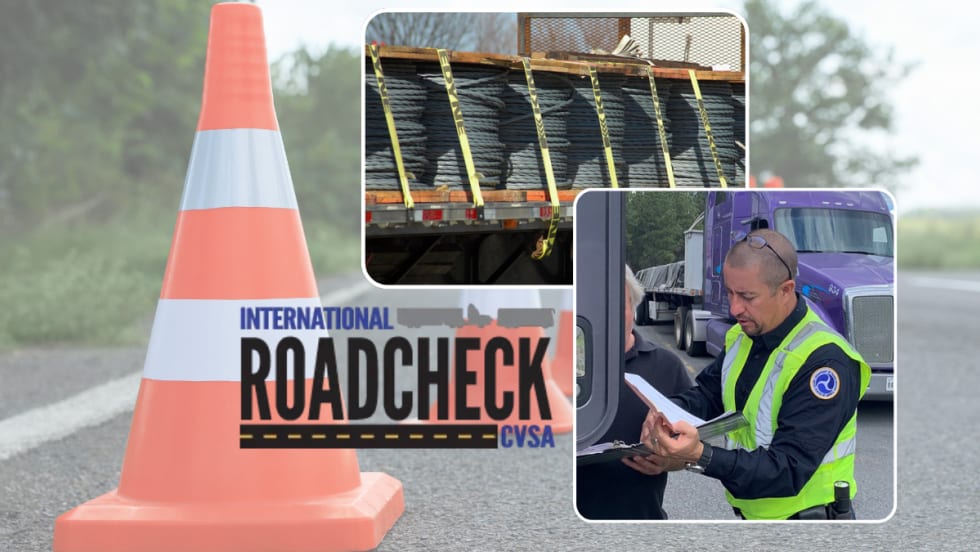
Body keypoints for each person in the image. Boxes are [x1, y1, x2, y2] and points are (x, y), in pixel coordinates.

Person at [639, 229, 870, 520]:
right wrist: (667, 415)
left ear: (786, 290)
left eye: (748, 297)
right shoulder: (743, 336)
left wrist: (699, 455)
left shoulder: (825, 362)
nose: (735, 308)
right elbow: (709, 394)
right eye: (730, 293)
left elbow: (788, 468)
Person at [576, 266, 694, 520]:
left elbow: (693, 445)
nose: (608, 316)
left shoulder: (667, 366)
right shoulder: (559, 364)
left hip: (641, 524)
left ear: (634, 307)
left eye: (619, 305)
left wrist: (670, 461)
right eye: (597, 306)